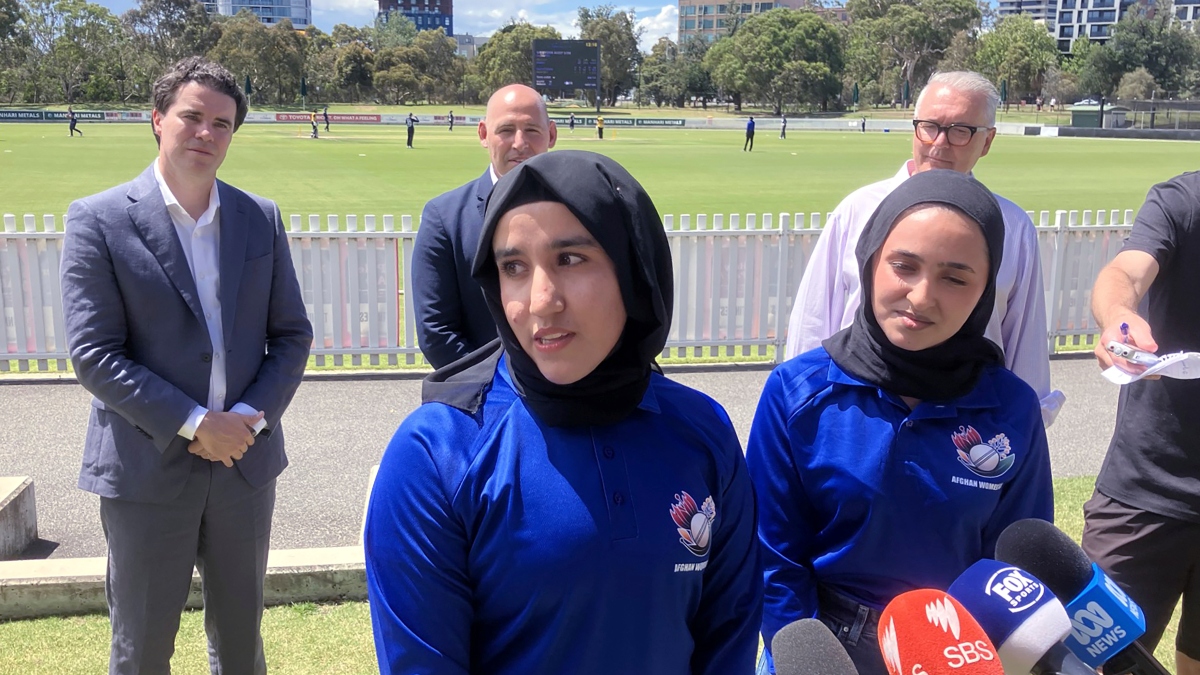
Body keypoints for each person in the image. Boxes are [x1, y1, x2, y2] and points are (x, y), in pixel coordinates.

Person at [365, 149, 762, 675]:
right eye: (513, 268)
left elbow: (727, 644)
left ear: (633, 270)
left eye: (570, 259)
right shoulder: (437, 453)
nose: (540, 300)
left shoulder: (702, 431)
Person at [58, 56, 312, 675]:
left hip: (244, 469)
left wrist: (247, 420)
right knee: (141, 648)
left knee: (241, 646)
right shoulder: (99, 219)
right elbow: (94, 354)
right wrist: (198, 422)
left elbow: (292, 335)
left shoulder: (260, 217)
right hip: (146, 470)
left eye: (222, 124)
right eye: (192, 117)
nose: (206, 133)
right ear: (157, 120)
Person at [748, 170, 1054, 675]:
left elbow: (1017, 562)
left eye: (955, 278)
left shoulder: (1011, 408)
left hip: (960, 649)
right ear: (869, 263)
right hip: (823, 647)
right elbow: (771, 557)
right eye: (903, 266)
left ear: (985, 291)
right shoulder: (797, 392)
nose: (921, 296)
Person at [785, 71, 1064, 427]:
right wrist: (800, 405)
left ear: (988, 141)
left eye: (961, 130)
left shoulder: (1014, 227)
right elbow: (814, 321)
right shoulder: (857, 210)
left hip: (965, 421)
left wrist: (1023, 428)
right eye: (929, 126)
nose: (940, 143)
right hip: (854, 413)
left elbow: (1024, 343)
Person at [1083, 171, 1200, 675]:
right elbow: (1126, 272)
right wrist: (1118, 317)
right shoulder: (1184, 199)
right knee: (1095, 663)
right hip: (1145, 489)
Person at [412, 84, 557, 368]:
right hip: (485, 398)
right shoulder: (444, 218)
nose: (519, 143)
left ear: (550, 134)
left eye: (531, 130)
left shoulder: (580, 209)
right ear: (483, 134)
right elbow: (436, 332)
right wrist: (498, 389)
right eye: (506, 130)